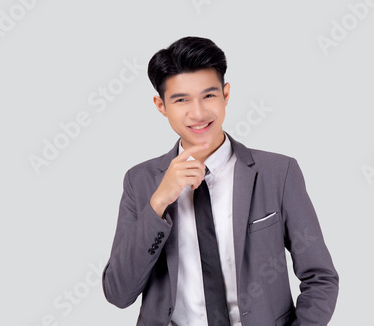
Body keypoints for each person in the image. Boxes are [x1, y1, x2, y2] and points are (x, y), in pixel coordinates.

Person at [102, 36, 339, 326]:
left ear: (226, 95)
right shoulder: (139, 181)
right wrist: (159, 202)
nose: (198, 113)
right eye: (181, 100)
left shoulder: (278, 172)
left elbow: (321, 277)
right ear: (161, 105)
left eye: (209, 96)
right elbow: (118, 293)